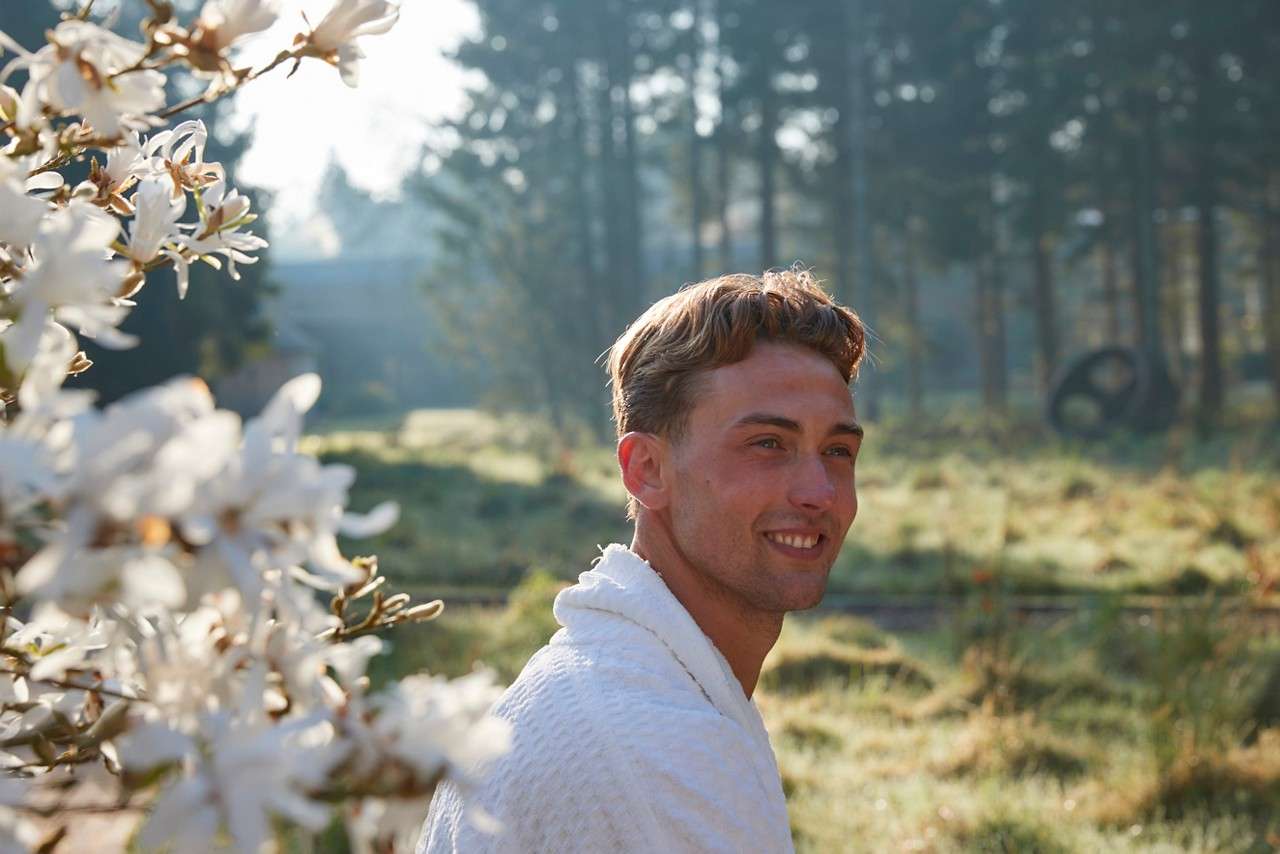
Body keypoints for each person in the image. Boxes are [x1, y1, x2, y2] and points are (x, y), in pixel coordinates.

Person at [418, 268, 866, 853]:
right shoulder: (651, 755)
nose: (819, 492)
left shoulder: (630, 684)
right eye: (767, 444)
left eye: (838, 451)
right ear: (647, 470)